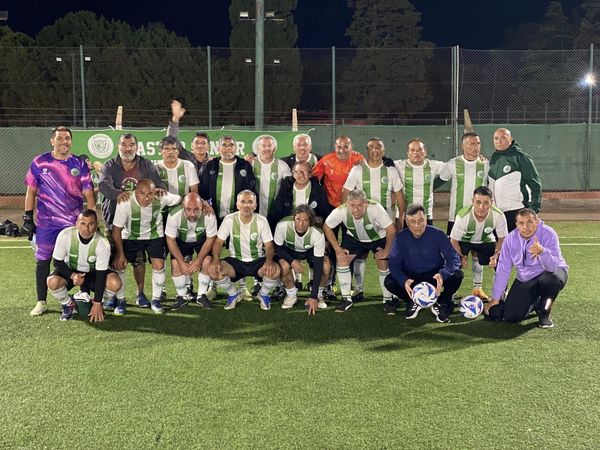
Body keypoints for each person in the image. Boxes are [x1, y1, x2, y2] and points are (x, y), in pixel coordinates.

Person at [24, 126, 95, 317]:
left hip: (73, 222)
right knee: (43, 260)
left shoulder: (79, 163)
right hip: (46, 223)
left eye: (67, 138)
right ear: (52, 141)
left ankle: (83, 296)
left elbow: (89, 192)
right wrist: (28, 217)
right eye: (60, 138)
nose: (64, 142)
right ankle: (41, 301)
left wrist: (91, 218)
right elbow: (31, 191)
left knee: (79, 259)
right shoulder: (39, 162)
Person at [98, 133, 165, 309]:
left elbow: (157, 184)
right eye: (124, 145)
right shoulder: (110, 166)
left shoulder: (146, 164)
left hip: (138, 223)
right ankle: (114, 295)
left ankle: (140, 293)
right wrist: (117, 194)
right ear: (118, 146)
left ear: (136, 146)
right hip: (114, 220)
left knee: (138, 261)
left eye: (131, 145)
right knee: (114, 259)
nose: (128, 149)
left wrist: (160, 189)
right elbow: (104, 185)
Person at [342, 137, 405, 301]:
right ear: (367, 150)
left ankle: (389, 296)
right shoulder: (357, 170)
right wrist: (349, 216)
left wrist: (400, 218)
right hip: (361, 223)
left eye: (379, 147)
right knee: (359, 255)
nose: (375, 150)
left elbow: (400, 197)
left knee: (384, 259)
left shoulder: (390, 171)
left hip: (384, 226)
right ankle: (359, 289)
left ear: (383, 151)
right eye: (372, 147)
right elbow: (345, 192)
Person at [485, 208, 568, 328]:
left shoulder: (548, 233)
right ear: (516, 224)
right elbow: (503, 269)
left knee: (549, 280)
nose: (525, 227)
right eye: (521, 223)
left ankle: (545, 312)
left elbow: (552, 267)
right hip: (526, 279)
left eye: (529, 222)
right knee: (511, 317)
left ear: (536, 221)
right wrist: (495, 298)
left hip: (551, 272)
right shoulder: (510, 239)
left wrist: (542, 252)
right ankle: (536, 302)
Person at [384, 204, 464, 323]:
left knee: (457, 275)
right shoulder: (400, 238)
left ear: (426, 219)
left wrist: (443, 274)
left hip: (434, 276)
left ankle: (441, 302)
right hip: (411, 278)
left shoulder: (438, 234)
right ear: (407, 221)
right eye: (413, 221)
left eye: (421, 220)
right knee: (389, 281)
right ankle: (412, 300)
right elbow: (393, 265)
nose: (417, 225)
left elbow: (454, 259)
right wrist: (403, 280)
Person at [112, 179, 181, 315]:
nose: (146, 198)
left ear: (154, 192)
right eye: (142, 194)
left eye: (150, 194)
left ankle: (155, 300)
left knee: (159, 265)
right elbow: (116, 230)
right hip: (131, 237)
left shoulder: (161, 197)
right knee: (121, 264)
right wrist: (120, 254)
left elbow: (181, 199)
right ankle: (121, 300)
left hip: (154, 236)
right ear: (135, 192)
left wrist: (202, 203)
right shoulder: (125, 202)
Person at [323, 190, 395, 312]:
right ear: (347, 204)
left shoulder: (375, 208)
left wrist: (386, 251)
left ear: (366, 203)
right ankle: (346, 299)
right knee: (342, 260)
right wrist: (337, 249)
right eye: (352, 205)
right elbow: (327, 227)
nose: (356, 209)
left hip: (378, 237)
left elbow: (391, 230)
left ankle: (388, 299)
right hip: (354, 237)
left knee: (383, 262)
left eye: (360, 205)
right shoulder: (341, 211)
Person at [208, 190, 280, 311]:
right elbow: (218, 242)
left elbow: (269, 245)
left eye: (250, 202)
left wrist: (269, 261)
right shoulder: (229, 219)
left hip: (257, 260)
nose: (246, 205)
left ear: (255, 205)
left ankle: (263, 294)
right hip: (235, 261)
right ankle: (233, 294)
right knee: (213, 270)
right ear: (237, 205)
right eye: (243, 202)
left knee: (276, 270)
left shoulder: (261, 221)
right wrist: (215, 260)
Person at [46, 209, 121, 322]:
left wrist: (97, 303)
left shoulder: (103, 243)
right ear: (77, 224)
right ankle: (68, 304)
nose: (87, 229)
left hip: (93, 272)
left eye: (91, 224)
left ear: (96, 225)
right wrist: (73, 275)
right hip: (71, 270)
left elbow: (101, 275)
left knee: (115, 283)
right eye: (83, 224)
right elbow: (57, 262)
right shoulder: (65, 235)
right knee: (52, 282)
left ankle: (96, 303)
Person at [449, 186, 508, 300]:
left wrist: (496, 255)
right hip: (464, 240)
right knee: (452, 260)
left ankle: (500, 295)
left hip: (486, 240)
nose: (481, 207)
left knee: (502, 260)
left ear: (491, 202)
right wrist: (461, 256)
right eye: (478, 202)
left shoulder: (498, 215)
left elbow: (502, 239)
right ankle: (450, 293)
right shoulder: (463, 216)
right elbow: (454, 241)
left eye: (486, 203)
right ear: (472, 201)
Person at [165, 192, 218, 310]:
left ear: (202, 207)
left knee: (207, 261)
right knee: (175, 264)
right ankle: (182, 296)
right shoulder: (174, 215)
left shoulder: (209, 214)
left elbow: (210, 239)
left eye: (196, 210)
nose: (192, 213)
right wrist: (181, 262)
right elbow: (170, 240)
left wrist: (198, 261)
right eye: (188, 209)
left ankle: (201, 295)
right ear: (183, 206)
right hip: (181, 239)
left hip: (201, 239)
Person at [274, 205, 331, 314]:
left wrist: (313, 296)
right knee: (283, 266)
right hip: (290, 251)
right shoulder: (282, 225)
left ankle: (318, 294)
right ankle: (291, 295)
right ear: (293, 218)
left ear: (310, 221)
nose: (301, 223)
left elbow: (318, 265)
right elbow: (278, 248)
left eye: (305, 220)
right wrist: (292, 261)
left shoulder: (317, 233)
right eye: (298, 219)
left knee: (326, 266)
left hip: (310, 251)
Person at [488, 128, 542, 232]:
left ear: (510, 139)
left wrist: (534, 209)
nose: (499, 141)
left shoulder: (521, 157)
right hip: (496, 213)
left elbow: (535, 184)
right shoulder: (494, 158)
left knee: (518, 241)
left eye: (503, 138)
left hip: (517, 211)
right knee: (498, 242)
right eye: (496, 138)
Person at [199, 135, 257, 223]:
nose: (228, 148)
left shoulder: (245, 165)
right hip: (212, 215)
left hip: (238, 217)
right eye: (224, 145)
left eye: (231, 145)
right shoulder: (210, 165)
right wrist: (206, 204)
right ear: (218, 149)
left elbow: (251, 190)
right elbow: (202, 190)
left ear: (236, 148)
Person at [394, 138, 445, 224]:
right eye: (412, 150)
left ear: (425, 152)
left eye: (419, 150)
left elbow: (451, 168)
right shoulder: (399, 165)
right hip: (404, 216)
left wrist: (436, 184)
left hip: (426, 215)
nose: (416, 153)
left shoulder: (434, 165)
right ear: (408, 153)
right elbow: (379, 164)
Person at [268, 160, 331, 229]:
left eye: (305, 172)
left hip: (311, 228)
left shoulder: (318, 191)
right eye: (298, 172)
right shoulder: (285, 188)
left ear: (310, 175)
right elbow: (277, 212)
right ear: (293, 174)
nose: (301, 175)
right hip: (289, 227)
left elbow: (324, 214)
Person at [312, 135, 364, 209]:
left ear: (351, 146)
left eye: (346, 147)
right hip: (331, 204)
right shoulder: (326, 160)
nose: (342, 151)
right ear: (335, 146)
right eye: (339, 147)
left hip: (353, 204)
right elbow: (312, 176)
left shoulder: (358, 158)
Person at [250, 135, 291, 221]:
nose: (267, 148)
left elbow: (289, 186)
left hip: (275, 212)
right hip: (254, 211)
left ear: (274, 148)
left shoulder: (282, 165)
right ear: (258, 148)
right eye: (264, 146)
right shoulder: (250, 163)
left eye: (269, 145)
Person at [167, 99, 213, 176]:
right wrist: (175, 119)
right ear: (192, 146)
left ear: (208, 146)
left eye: (203, 143)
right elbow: (170, 141)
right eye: (197, 143)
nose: (200, 145)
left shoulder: (214, 163)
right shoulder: (185, 157)